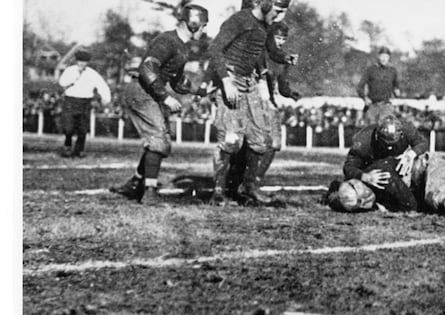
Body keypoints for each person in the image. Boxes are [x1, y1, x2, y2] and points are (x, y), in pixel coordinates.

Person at [110, 4, 210, 204]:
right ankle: (149, 192)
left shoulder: (181, 46)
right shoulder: (167, 41)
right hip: (141, 91)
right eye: (203, 25)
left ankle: (135, 183)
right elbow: (147, 69)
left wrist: (201, 91)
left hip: (148, 92)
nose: (204, 30)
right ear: (193, 23)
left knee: (160, 141)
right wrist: (165, 97)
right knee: (159, 141)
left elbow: (177, 82)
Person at [327, 115, 445, 216]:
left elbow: (422, 144)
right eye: (386, 144)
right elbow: (349, 167)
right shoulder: (364, 140)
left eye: (394, 143)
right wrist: (364, 177)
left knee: (437, 191)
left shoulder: (405, 129)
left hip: (426, 165)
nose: (390, 147)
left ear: (401, 134)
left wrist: (411, 154)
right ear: (377, 136)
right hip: (407, 172)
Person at [208, 0, 293, 207]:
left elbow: (271, 50)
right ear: (266, 4)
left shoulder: (265, 26)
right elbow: (215, 49)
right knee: (231, 140)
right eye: (277, 11)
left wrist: (285, 57)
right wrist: (225, 81)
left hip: (250, 82)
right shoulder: (239, 20)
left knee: (261, 139)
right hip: (231, 79)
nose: (279, 17)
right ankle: (218, 193)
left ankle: (248, 188)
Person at [225, 20, 301, 203]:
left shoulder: (283, 59)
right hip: (253, 102)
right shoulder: (259, 52)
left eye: (283, 39)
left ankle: (252, 182)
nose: (280, 42)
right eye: (277, 37)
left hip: (270, 104)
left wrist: (290, 93)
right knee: (249, 143)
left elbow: (282, 85)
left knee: (273, 144)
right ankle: (237, 183)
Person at [57, 49, 112, 158]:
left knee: (83, 128)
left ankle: (79, 150)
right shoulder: (70, 70)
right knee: (69, 127)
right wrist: (75, 77)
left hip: (85, 102)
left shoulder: (92, 73)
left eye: (84, 61)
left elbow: (102, 85)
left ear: (87, 62)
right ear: (76, 61)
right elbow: (62, 82)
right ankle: (67, 146)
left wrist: (106, 98)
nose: (82, 63)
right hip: (71, 101)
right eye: (80, 61)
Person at [357, 47, 400, 125]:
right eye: (382, 56)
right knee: (370, 128)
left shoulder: (392, 71)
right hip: (372, 105)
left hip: (386, 106)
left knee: (387, 127)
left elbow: (396, 86)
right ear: (378, 56)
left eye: (386, 57)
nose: (384, 59)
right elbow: (359, 87)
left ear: (389, 58)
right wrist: (365, 98)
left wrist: (396, 90)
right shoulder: (371, 70)